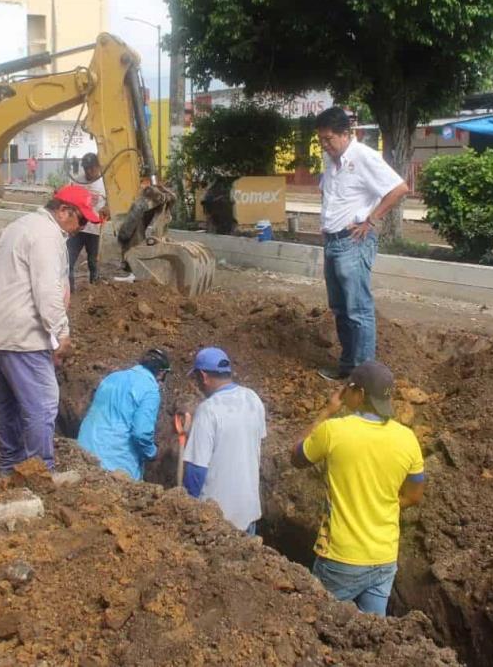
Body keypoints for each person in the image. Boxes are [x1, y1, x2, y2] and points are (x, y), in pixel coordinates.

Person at [0, 184, 101, 472]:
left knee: (12, 405)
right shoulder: (46, 236)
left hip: (2, 333)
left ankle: (10, 468)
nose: (81, 228)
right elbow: (48, 291)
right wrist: (61, 333)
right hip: (24, 334)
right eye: (81, 220)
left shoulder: (24, 225)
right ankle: (39, 473)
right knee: (42, 403)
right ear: (64, 210)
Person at [291, 360, 425, 615]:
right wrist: (379, 505)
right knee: (373, 633)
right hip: (384, 558)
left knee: (320, 623)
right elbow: (414, 496)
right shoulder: (407, 438)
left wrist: (327, 411)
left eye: (348, 388)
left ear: (359, 393)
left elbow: (296, 456)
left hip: (341, 558)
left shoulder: (333, 431)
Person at [315, 106, 409, 381]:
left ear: (346, 134)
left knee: (358, 310)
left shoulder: (364, 157)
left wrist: (372, 220)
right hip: (332, 242)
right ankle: (347, 368)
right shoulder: (331, 160)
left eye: (328, 139)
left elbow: (399, 188)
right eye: (321, 140)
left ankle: (364, 378)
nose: (324, 145)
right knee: (341, 308)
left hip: (353, 243)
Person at [182, 347, 267, 534]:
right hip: (248, 513)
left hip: (216, 521)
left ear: (203, 376)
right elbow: (249, 441)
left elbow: (196, 470)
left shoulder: (208, 409)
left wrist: (186, 508)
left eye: (197, 380)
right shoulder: (252, 398)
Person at [76, 348, 170, 480]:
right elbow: (141, 433)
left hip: (83, 451)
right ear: (161, 373)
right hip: (114, 463)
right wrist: (152, 453)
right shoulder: (150, 390)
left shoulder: (113, 377)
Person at [67, 152, 109, 290]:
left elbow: (112, 203)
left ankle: (94, 289)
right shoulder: (77, 181)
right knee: (68, 260)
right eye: (86, 168)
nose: (88, 172)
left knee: (93, 262)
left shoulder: (106, 183)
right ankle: (69, 289)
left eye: (91, 168)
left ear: (98, 167)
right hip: (77, 228)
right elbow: (69, 198)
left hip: (95, 229)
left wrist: (107, 208)